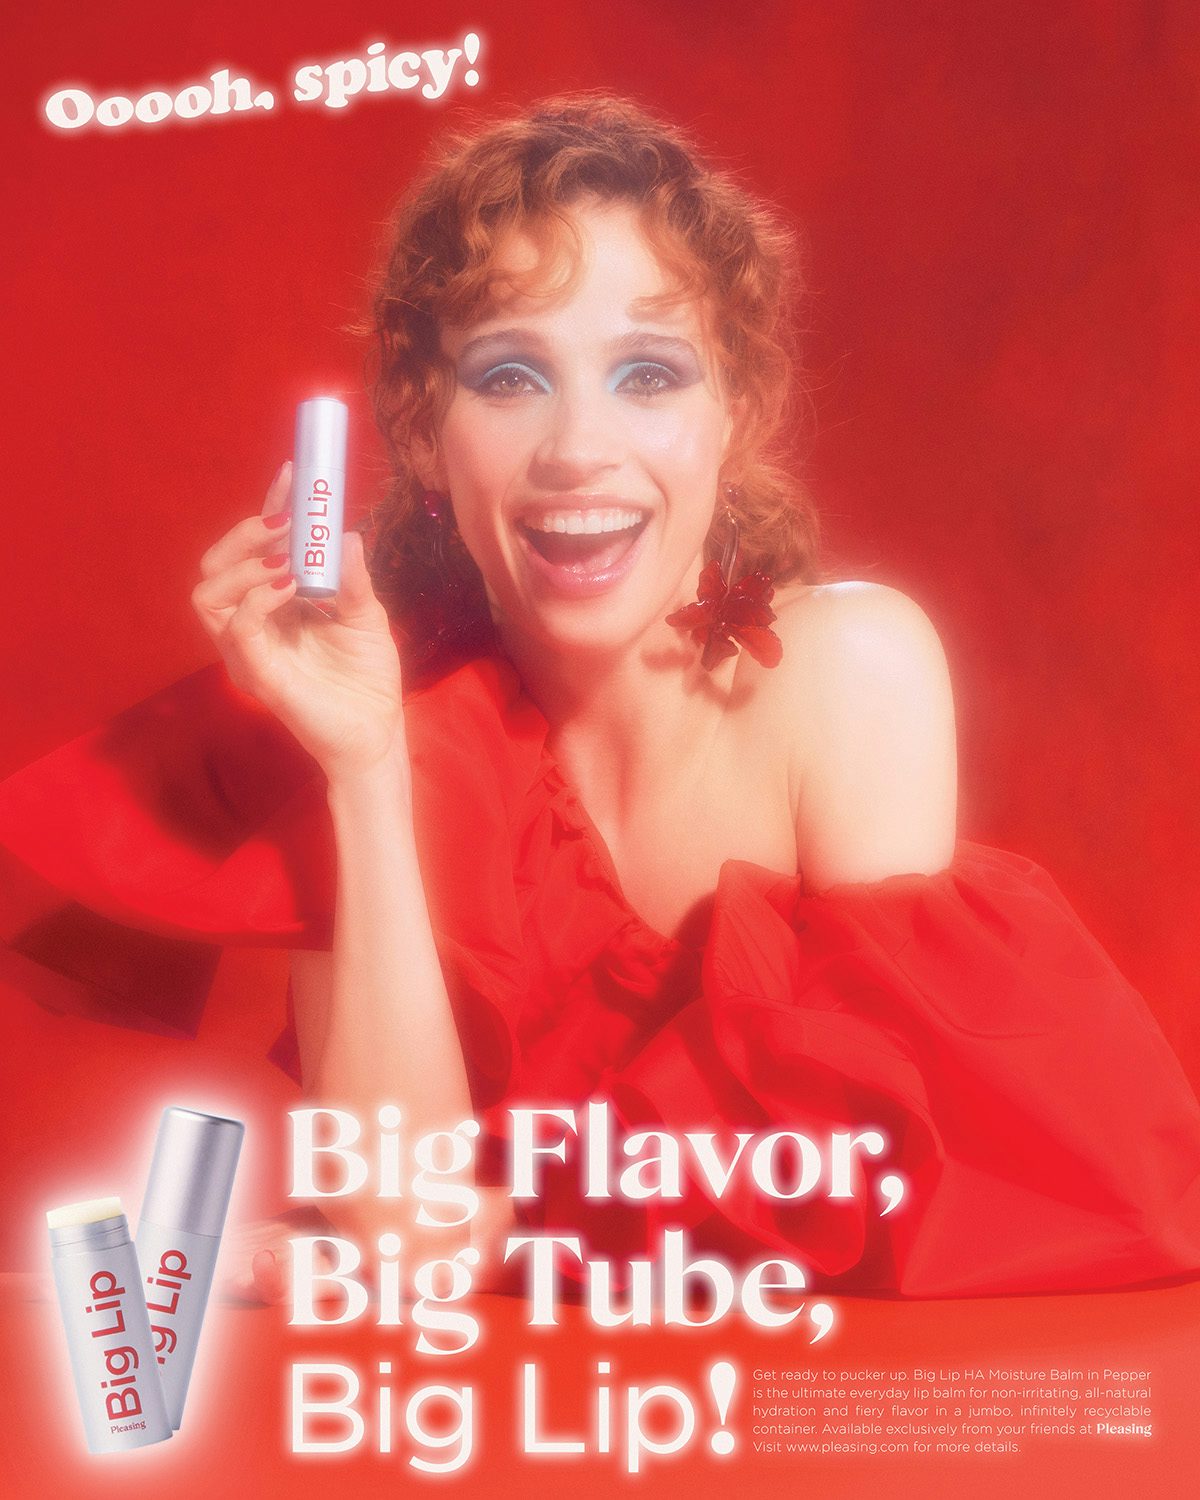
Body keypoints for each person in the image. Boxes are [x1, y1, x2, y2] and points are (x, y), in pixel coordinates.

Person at [3, 93, 1199, 1302]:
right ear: (424, 438)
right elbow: (396, 1220)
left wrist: (506, 1229)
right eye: (512, 375)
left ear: (733, 418)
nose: (579, 447)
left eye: (648, 372)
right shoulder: (399, 741)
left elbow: (871, 1168)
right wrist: (358, 766)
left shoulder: (856, 674)